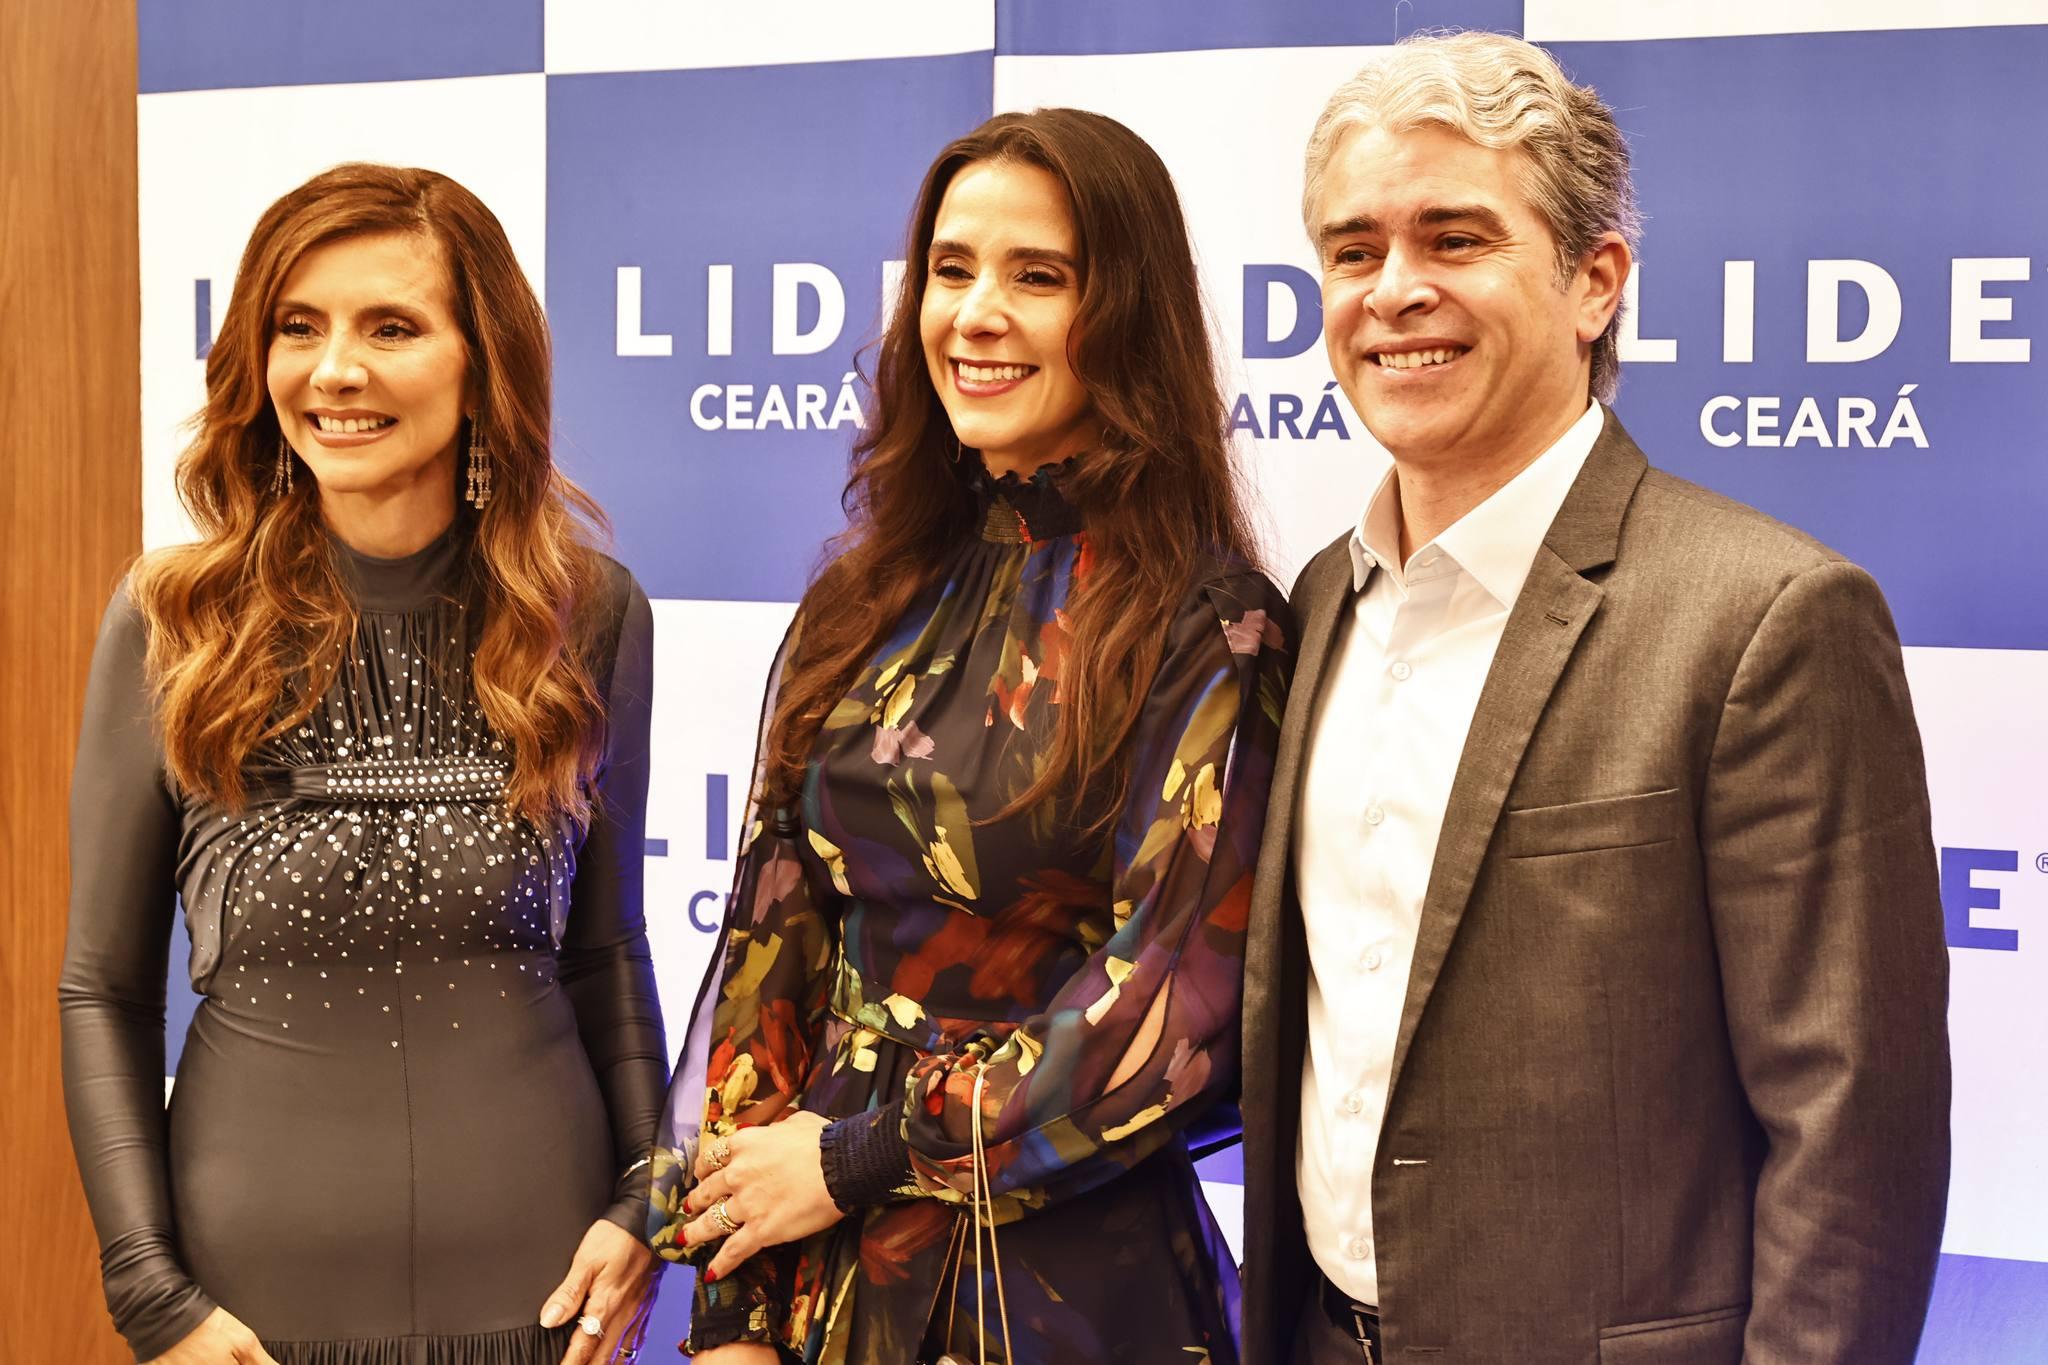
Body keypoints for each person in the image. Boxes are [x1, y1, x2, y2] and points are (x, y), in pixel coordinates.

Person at [1237, 31, 1952, 1365]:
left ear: (1595, 282)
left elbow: (1853, 1138)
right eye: (1352, 250)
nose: (1393, 291)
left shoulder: (1768, 617)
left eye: (1454, 239)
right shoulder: (1317, 600)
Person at [645, 109, 1293, 1364]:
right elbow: (773, 948)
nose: (974, 315)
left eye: (1036, 277)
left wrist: (858, 1156)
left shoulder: (1207, 626)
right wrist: (728, 1305)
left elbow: (1169, 1017)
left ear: (1125, 317)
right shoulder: (864, 598)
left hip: (1064, 1293)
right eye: (951, 270)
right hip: (818, 1272)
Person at [59, 163, 666, 1365]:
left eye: (391, 327)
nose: (334, 370)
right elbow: (104, 991)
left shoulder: (587, 612)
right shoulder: (173, 621)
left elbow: (605, 952)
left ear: (482, 364)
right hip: (248, 1317)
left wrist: (645, 1197)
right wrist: (150, 1296)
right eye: (299, 327)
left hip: (545, 1295)